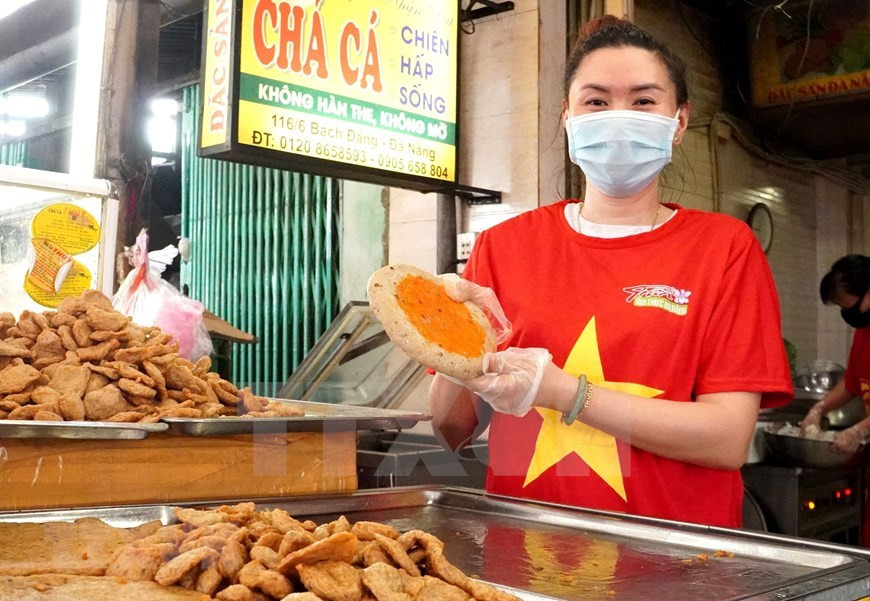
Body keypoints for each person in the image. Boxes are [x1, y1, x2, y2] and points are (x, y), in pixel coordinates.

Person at [428, 17, 793, 528]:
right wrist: (446, 345)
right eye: (596, 101)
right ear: (567, 116)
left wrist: (565, 394)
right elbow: (453, 432)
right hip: (527, 551)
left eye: (644, 101)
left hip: (677, 560)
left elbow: (727, 439)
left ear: (680, 121)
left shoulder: (724, 248)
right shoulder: (504, 247)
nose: (619, 116)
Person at [801, 255, 870, 454]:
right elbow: (852, 383)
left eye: (847, 307)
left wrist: (858, 430)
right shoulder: (863, 333)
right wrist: (819, 409)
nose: (847, 314)